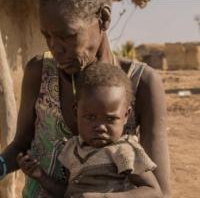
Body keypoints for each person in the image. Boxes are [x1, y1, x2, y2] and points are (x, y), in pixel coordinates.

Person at [0, 0, 170, 198]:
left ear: (104, 19)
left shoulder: (141, 83)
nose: (56, 48)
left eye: (68, 35)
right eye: (47, 35)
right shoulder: (40, 71)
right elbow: (22, 145)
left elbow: (160, 192)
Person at [17, 62, 162, 198]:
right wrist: (39, 175)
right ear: (76, 112)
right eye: (91, 117)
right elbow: (67, 192)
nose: (100, 127)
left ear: (126, 115)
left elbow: (153, 191)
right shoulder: (72, 150)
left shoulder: (124, 151)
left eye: (110, 119)